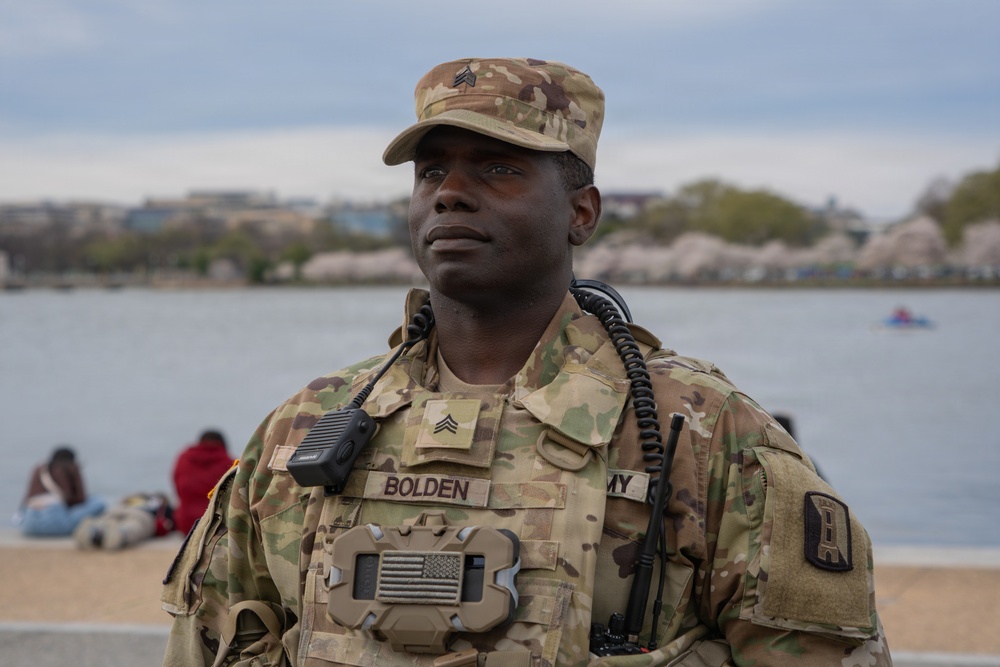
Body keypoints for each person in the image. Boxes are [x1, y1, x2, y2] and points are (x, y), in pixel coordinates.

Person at [161, 58, 892, 666]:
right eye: (432, 172)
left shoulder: (703, 433)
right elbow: (211, 639)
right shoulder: (306, 425)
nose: (451, 194)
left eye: (498, 169)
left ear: (582, 212)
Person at [18, 446, 105, 536]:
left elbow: (26, 498)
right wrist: (76, 471)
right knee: (98, 501)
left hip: (29, 525)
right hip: (56, 525)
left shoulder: (39, 468)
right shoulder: (70, 467)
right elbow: (80, 498)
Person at [171, 429, 235, 535]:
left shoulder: (184, 459)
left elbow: (177, 487)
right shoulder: (229, 463)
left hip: (186, 524)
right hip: (215, 525)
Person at [73, 491, 175, 550]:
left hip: (121, 508)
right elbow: (170, 523)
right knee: (135, 526)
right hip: (143, 515)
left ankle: (94, 530)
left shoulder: (136, 498)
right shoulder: (163, 506)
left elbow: (121, 501)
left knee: (108, 519)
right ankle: (122, 533)